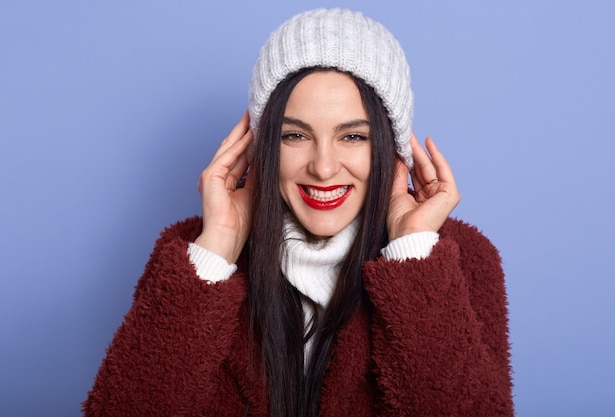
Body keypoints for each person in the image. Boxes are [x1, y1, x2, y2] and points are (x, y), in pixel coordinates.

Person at [83, 8, 513, 417]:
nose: (323, 167)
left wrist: (413, 253)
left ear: (392, 149)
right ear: (261, 146)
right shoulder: (197, 264)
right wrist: (218, 249)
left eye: (352, 137)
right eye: (295, 135)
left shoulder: (460, 262)